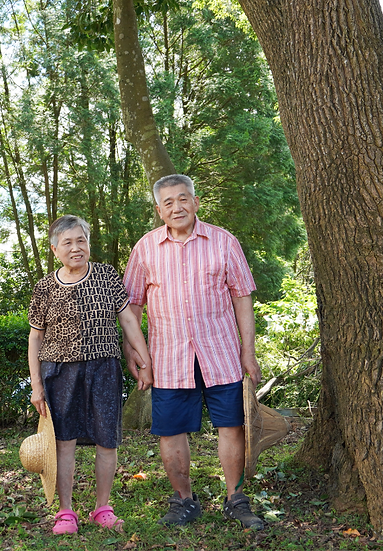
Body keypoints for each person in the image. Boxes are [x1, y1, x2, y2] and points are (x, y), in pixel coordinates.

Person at [123, 174, 265, 530]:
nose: (177, 207)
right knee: (171, 431)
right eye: (168, 202)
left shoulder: (224, 242)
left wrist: (248, 351)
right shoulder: (145, 248)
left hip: (221, 354)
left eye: (183, 199)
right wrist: (136, 354)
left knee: (232, 426)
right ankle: (183, 501)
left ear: (196, 202)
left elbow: (242, 297)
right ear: (159, 210)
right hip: (168, 358)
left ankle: (236, 499)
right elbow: (132, 306)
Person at [28, 215, 154, 535]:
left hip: (104, 369)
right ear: (55, 249)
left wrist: (145, 359)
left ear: (88, 243)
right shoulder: (44, 288)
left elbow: (128, 322)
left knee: (106, 441)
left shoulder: (106, 276)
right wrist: (36, 386)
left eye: (81, 240)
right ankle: (66, 512)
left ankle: (102, 508)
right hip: (60, 373)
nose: (76, 247)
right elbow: (35, 339)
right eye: (67, 242)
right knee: (64, 443)